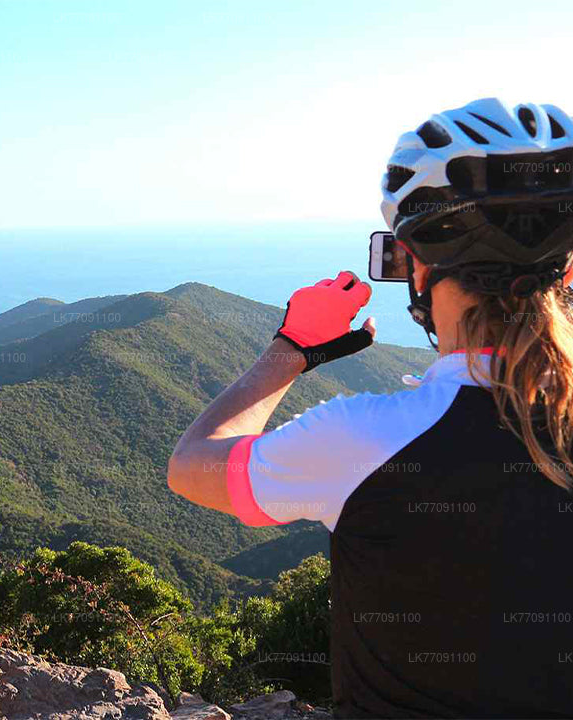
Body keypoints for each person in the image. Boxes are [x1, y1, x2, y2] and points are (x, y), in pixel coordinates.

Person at [167, 97, 573, 717]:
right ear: (564, 268)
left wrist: (292, 350)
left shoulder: (367, 438)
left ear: (418, 264)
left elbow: (192, 467)